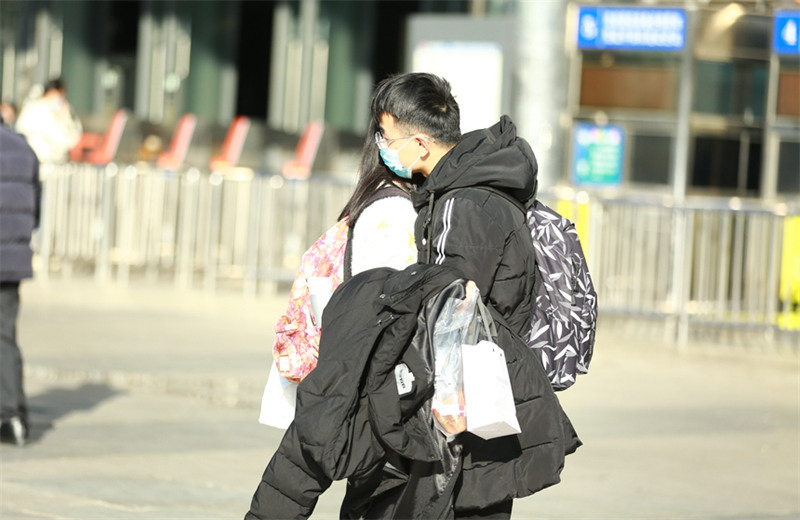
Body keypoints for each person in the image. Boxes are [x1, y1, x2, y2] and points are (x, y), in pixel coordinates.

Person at [245, 73, 579, 519]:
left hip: (452, 421)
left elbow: (453, 311)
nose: (381, 144)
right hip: (472, 413)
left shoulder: (464, 206)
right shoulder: (475, 193)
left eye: (387, 135)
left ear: (420, 145)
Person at [0, 111, 41, 446]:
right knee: (5, 335)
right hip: (11, 257)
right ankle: (12, 415)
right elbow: (34, 208)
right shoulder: (24, 149)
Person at [15, 77, 82, 164]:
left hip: (41, 160)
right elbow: (63, 138)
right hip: (42, 160)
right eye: (60, 94)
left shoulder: (53, 108)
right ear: (53, 91)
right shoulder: (39, 108)